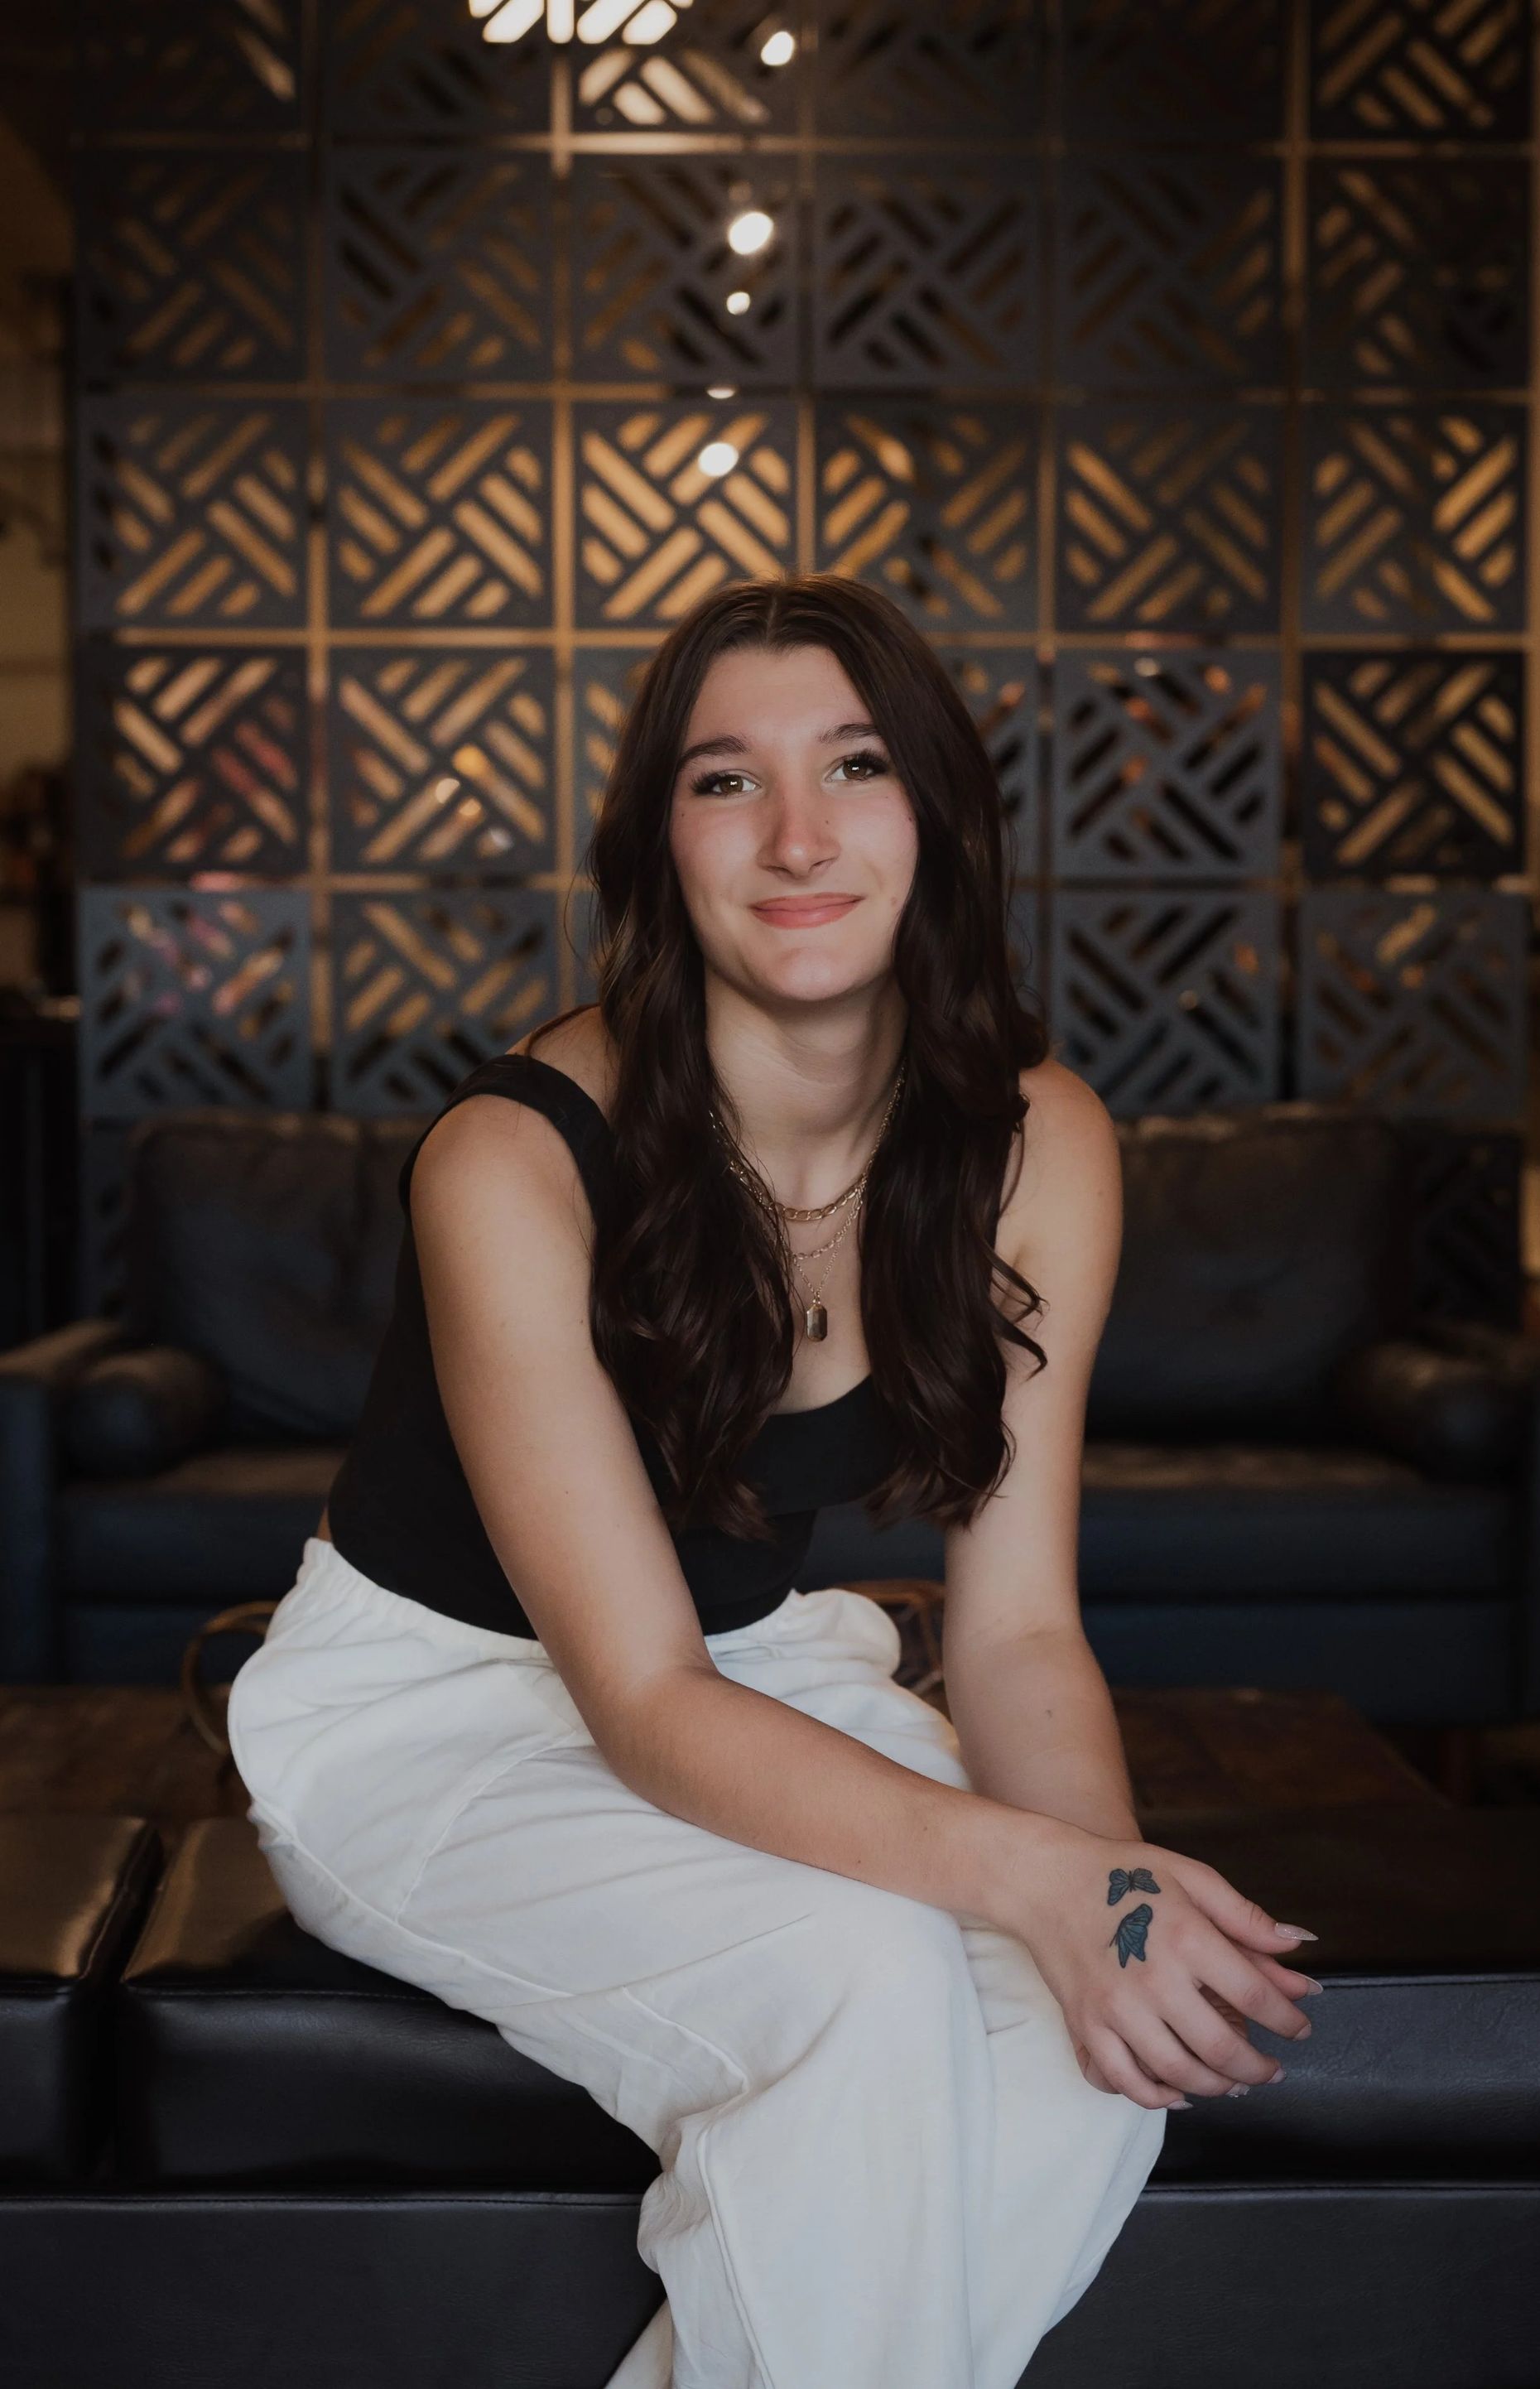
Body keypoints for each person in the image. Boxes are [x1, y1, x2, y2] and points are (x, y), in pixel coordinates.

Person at [225, 573, 1320, 2389]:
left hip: (772, 1668)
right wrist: (1028, 1876)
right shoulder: (515, 1161)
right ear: (661, 842)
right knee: (862, 1986)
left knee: (1081, 2036)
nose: (799, 834)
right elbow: (637, 1699)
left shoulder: (1039, 1142)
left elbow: (1024, 1629)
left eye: (858, 765)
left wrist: (1098, 1893)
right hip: (428, 1718)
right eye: (728, 779)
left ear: (941, 817)